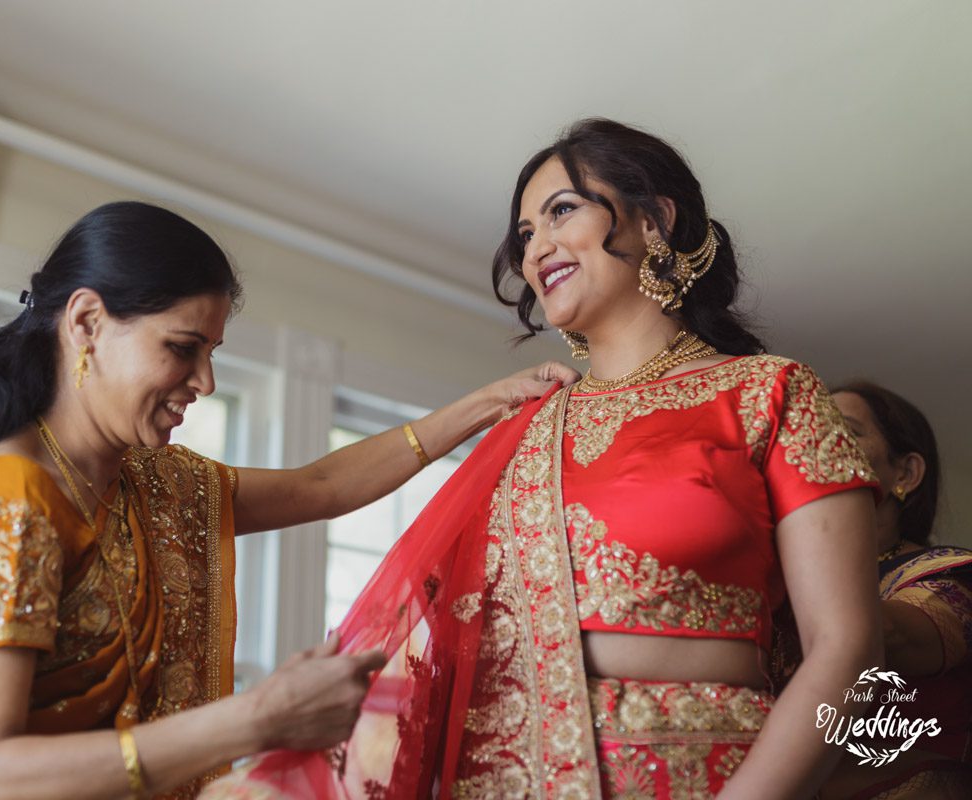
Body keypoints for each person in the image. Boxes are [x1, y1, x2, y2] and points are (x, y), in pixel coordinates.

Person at [204, 119, 883, 799]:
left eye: (561, 211)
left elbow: (847, 652)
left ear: (654, 221)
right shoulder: (526, 429)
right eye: (525, 234)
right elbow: (436, 643)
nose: (537, 250)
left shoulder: (768, 393)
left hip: (705, 774)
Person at [0, 201, 578, 799]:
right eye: (181, 348)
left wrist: (484, 405)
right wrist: (258, 719)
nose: (202, 381)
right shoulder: (5, 499)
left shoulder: (155, 483)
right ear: (85, 323)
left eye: (212, 355)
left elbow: (320, 487)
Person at [820, 382, 971, 799]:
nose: (814, 441)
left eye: (845, 430)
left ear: (904, 473)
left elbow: (895, 638)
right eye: (808, 427)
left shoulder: (948, 574)